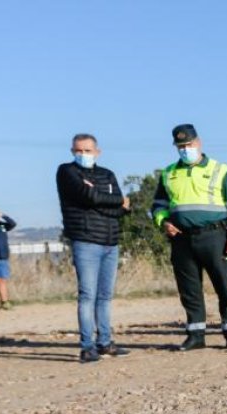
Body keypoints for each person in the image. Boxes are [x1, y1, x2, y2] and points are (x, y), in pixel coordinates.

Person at [151, 124, 227, 350]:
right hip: (182, 239)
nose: (185, 149)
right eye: (181, 146)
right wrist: (163, 222)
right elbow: (157, 206)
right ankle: (195, 335)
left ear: (199, 142)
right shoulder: (168, 173)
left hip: (214, 236)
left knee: (224, 286)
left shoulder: (221, 170)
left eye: (189, 144)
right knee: (189, 289)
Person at [56, 133, 132, 363]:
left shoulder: (107, 174)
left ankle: (105, 342)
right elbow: (89, 196)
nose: (83, 154)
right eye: (78, 150)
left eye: (87, 150)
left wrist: (105, 201)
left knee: (105, 296)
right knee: (87, 295)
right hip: (86, 241)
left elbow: (121, 208)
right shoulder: (66, 172)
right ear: (72, 151)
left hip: (110, 241)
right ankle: (87, 346)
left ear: (97, 152)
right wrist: (114, 201)